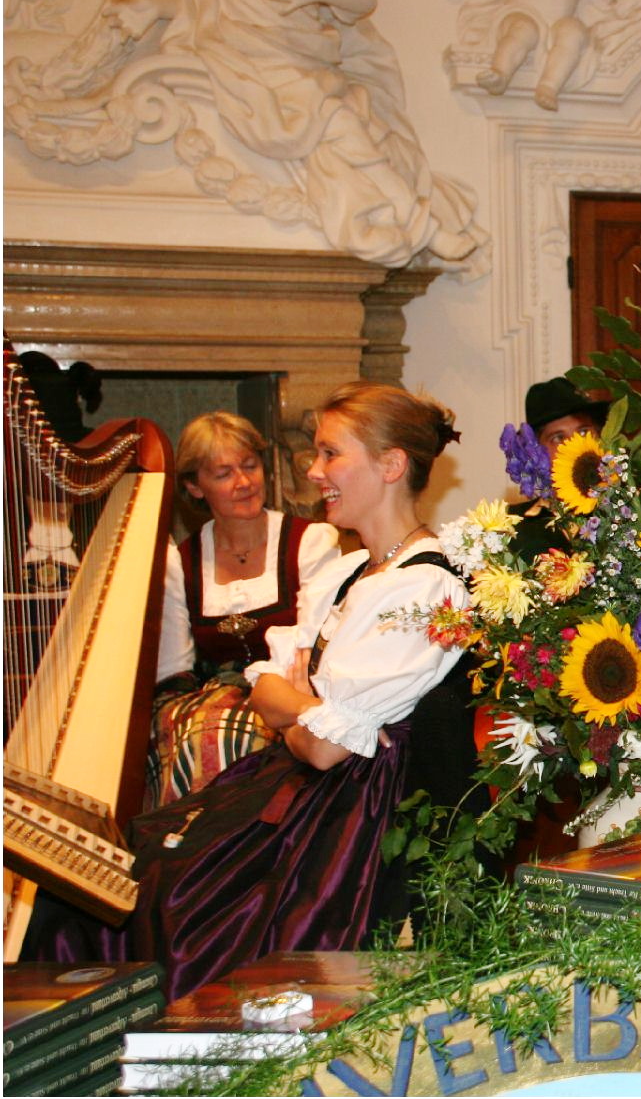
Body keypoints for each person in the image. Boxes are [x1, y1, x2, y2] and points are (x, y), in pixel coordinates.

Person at [26, 383, 480, 1000]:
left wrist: (300, 708)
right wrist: (306, 709)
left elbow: (322, 748)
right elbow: (268, 689)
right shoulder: (352, 571)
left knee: (163, 895)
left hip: (342, 821)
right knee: (117, 865)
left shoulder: (424, 588)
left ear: (391, 465)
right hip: (297, 788)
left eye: (330, 454)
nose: (313, 471)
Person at [147, 412, 342, 809]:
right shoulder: (179, 563)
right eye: (223, 474)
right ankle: (196, 833)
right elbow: (175, 673)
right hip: (206, 704)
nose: (244, 482)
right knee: (204, 734)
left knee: (234, 734)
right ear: (194, 486)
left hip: (291, 692)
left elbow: (317, 645)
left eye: (250, 466)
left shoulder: (309, 542)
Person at [507, 377, 610, 560]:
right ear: (535, 451)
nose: (574, 445)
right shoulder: (511, 526)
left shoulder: (629, 511)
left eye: (584, 432)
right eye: (558, 438)